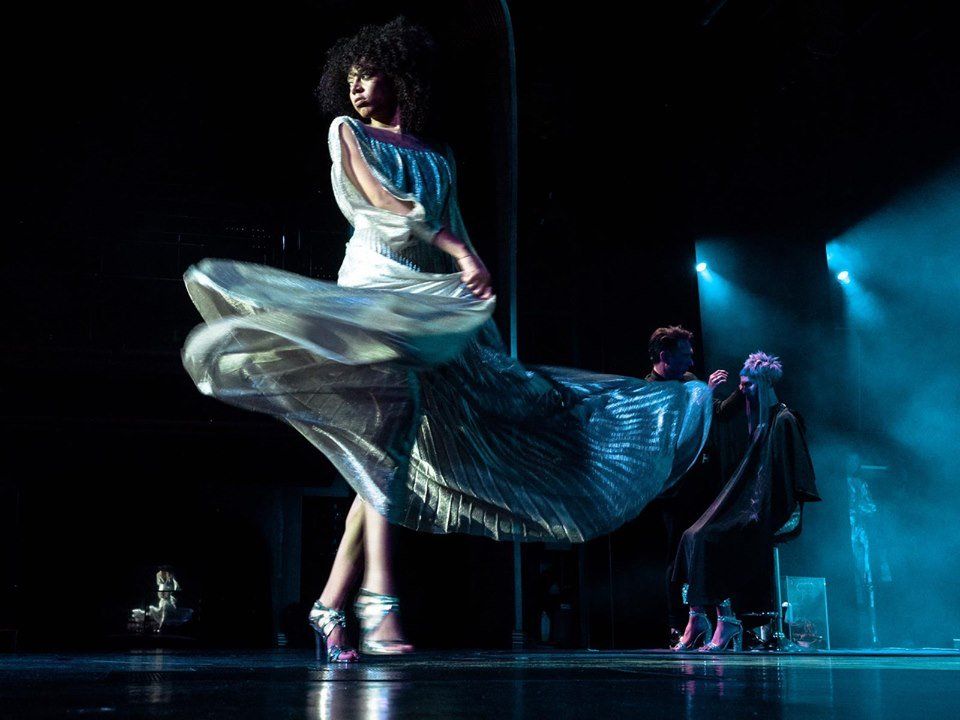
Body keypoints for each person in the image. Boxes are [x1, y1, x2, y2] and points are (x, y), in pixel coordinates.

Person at [180, 17, 712, 662]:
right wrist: (460, 250)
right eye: (349, 80)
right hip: (376, 291)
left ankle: (328, 605)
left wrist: (469, 295)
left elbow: (449, 223)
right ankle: (378, 605)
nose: (355, 89)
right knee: (390, 433)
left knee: (391, 448)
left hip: (432, 302)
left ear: (398, 77)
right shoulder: (347, 131)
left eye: (366, 76)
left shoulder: (441, 154)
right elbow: (383, 206)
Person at [670, 352, 821, 652]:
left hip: (773, 510)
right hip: (753, 506)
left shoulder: (784, 420)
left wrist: (757, 509)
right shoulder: (762, 423)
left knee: (711, 537)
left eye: (747, 385)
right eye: (740, 385)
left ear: (765, 384)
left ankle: (727, 620)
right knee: (691, 535)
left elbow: (789, 483)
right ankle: (697, 617)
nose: (742, 391)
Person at [643, 326, 744, 647]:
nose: (690, 361)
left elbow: (719, 414)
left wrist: (740, 392)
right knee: (680, 557)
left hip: (703, 481)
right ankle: (681, 623)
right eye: (684, 355)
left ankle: (718, 618)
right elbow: (675, 428)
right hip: (675, 489)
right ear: (664, 356)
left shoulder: (689, 380)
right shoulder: (649, 391)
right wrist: (705, 394)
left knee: (708, 547)